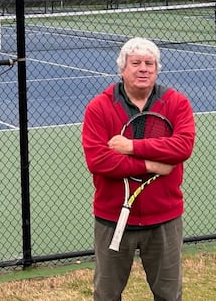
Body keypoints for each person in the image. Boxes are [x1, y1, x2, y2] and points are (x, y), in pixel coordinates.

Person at [82, 37, 196, 301]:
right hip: (112, 219)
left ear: (157, 69)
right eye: (136, 63)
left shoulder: (176, 103)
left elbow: (182, 147)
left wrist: (132, 147)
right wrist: (151, 164)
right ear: (123, 69)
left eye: (149, 63)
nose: (143, 68)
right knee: (107, 295)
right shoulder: (99, 108)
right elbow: (99, 161)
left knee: (169, 295)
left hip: (164, 219)